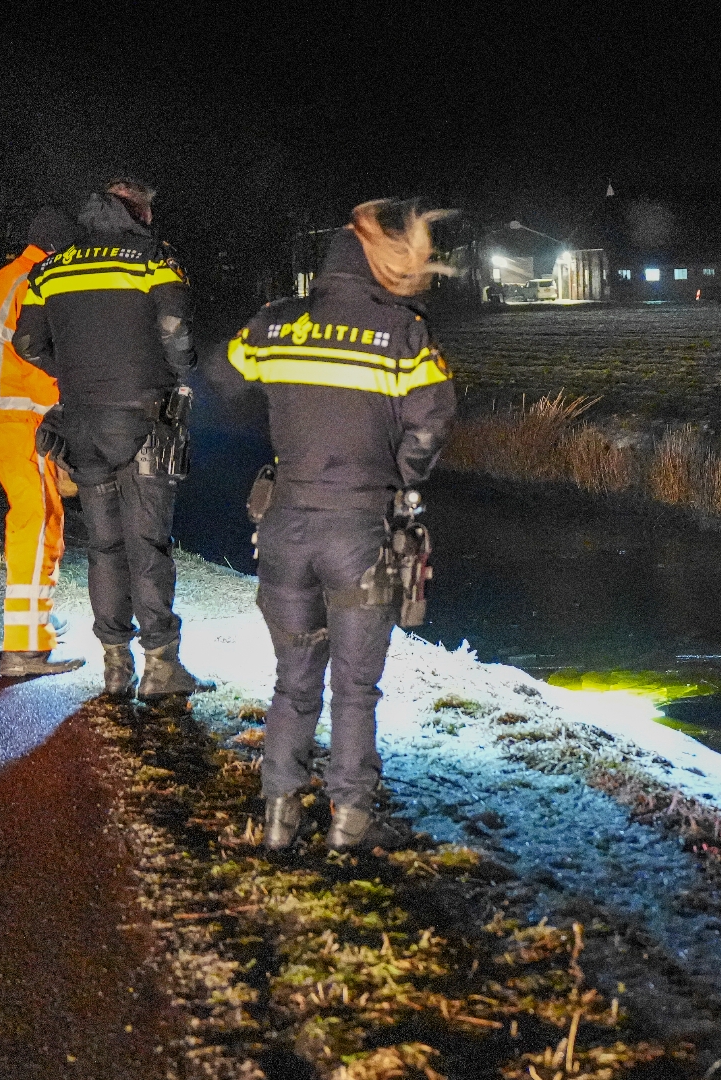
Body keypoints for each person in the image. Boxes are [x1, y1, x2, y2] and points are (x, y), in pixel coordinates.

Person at [205, 198, 455, 850]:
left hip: (285, 528)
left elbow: (219, 378)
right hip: (361, 537)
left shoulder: (272, 326)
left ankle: (279, 815)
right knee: (355, 685)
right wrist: (403, 480)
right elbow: (431, 422)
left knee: (293, 680)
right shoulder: (403, 335)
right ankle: (349, 820)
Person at [12, 178, 210, 700]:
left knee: (104, 546)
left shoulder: (50, 268)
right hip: (147, 421)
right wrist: (181, 368)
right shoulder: (152, 258)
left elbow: (27, 343)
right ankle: (162, 668)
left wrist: (74, 377)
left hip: (82, 425)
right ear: (137, 212)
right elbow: (175, 327)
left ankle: (115, 666)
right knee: (148, 544)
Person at [0, 207, 85, 677]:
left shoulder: (11, 275)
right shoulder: (36, 283)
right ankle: (25, 647)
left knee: (43, 514)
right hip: (15, 416)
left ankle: (37, 621)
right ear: (59, 251)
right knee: (36, 519)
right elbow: (36, 360)